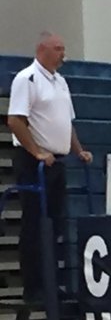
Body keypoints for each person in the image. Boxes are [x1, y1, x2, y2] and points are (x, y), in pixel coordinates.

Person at [5, 32, 92, 301]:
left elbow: (66, 122)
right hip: (35, 162)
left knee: (54, 224)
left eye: (63, 49)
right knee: (34, 223)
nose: (62, 55)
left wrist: (79, 150)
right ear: (42, 49)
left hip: (57, 160)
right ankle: (34, 284)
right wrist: (37, 152)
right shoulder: (27, 79)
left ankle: (51, 281)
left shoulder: (60, 82)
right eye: (57, 49)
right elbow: (15, 121)